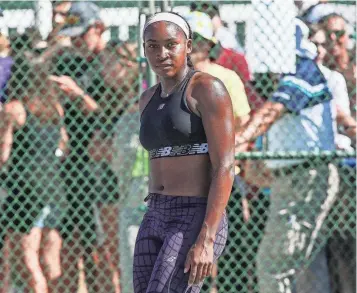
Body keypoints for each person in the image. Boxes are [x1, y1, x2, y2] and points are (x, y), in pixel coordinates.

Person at [235, 19, 344, 293]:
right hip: (292, 179)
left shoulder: (302, 70)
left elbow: (272, 111)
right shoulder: (282, 74)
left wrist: (237, 141)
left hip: (306, 178)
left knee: (273, 266)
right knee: (304, 265)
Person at [133, 11, 234, 293]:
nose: (161, 53)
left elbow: (225, 166)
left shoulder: (205, 88)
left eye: (170, 44)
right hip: (154, 212)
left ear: (188, 46)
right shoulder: (147, 98)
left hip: (194, 214)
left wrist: (207, 237)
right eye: (152, 46)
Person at [48, 2, 139, 292]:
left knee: (109, 247)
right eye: (72, 36)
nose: (76, 42)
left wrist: (78, 95)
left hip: (106, 166)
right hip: (77, 164)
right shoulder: (71, 60)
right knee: (78, 240)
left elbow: (114, 116)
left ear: (98, 28)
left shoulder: (115, 64)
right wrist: (57, 42)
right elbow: (38, 66)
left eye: (80, 35)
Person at [0, 62, 67, 293]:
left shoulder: (15, 109)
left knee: (27, 260)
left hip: (25, 189)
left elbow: (4, 152)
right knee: (50, 260)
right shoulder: (54, 108)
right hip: (53, 187)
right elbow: (63, 145)